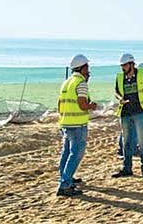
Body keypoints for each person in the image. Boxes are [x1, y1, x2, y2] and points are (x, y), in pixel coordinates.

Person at [57, 54, 97, 197]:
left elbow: (59, 104)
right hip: (77, 124)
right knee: (76, 154)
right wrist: (91, 106)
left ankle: (65, 177)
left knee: (66, 153)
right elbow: (82, 104)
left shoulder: (66, 83)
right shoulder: (81, 83)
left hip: (65, 122)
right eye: (87, 67)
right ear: (83, 67)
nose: (88, 70)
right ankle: (65, 185)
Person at [112, 53, 143, 178]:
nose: (123, 67)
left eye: (125, 65)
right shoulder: (120, 77)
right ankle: (127, 168)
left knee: (142, 141)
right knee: (126, 141)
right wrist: (120, 98)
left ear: (131, 64)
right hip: (125, 113)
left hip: (140, 112)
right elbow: (116, 92)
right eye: (122, 65)